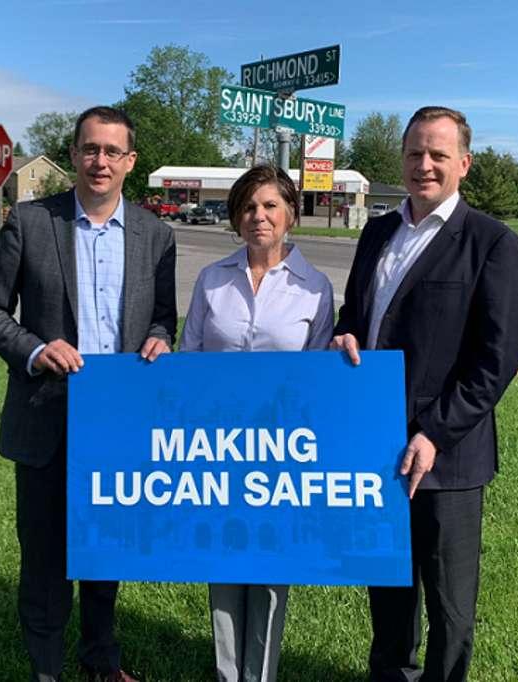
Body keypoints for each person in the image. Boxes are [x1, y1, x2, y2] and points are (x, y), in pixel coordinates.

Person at [0, 105, 177, 682]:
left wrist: (161, 339)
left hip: (119, 422)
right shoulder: (32, 223)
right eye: (91, 149)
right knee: (45, 554)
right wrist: (36, 350)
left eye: (113, 151)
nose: (100, 161)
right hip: (47, 414)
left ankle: (100, 658)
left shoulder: (155, 235)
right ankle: (46, 669)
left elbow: (164, 319)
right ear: (73, 155)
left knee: (106, 548)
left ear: (131, 162)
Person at [330, 106, 518, 682]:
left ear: (463, 164)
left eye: (439, 154)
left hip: (448, 455)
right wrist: (346, 330)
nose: (425, 165)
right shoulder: (377, 232)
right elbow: (360, 314)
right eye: (415, 152)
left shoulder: (492, 243)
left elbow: (497, 360)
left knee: (449, 605)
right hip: (375, 442)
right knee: (388, 587)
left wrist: (434, 433)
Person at [179, 165, 334, 682]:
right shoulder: (212, 279)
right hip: (216, 448)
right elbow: (190, 359)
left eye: (270, 205)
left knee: (270, 567)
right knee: (222, 564)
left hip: (281, 450)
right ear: (235, 217)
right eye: (248, 206)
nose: (258, 216)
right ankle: (228, 675)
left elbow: (317, 377)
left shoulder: (316, 289)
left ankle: (260, 675)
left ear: (290, 213)